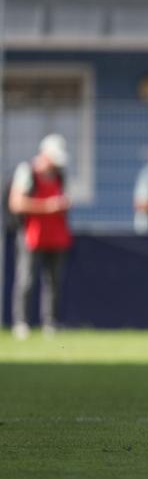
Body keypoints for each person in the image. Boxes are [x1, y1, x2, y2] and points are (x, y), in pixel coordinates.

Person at [7, 134, 72, 340]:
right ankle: (21, 322)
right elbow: (16, 203)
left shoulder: (60, 175)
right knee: (26, 278)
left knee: (53, 280)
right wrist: (47, 206)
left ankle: (50, 322)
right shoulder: (27, 172)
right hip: (31, 233)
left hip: (55, 233)